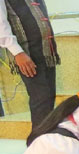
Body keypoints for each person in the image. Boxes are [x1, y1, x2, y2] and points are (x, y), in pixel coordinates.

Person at [0, 0, 59, 132]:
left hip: (45, 52)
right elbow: (1, 24)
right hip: (26, 54)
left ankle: (47, 143)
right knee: (41, 101)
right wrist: (18, 52)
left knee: (48, 100)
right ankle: (38, 145)